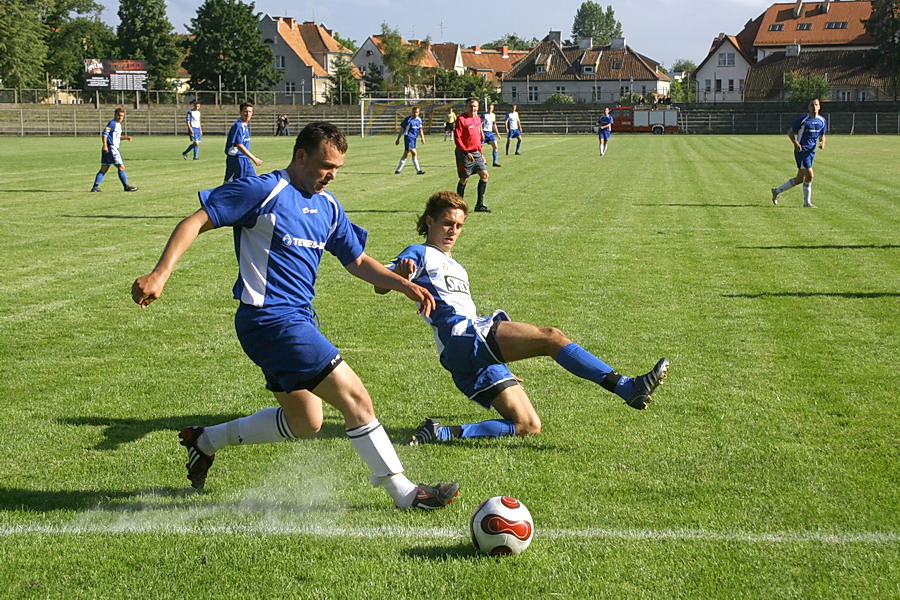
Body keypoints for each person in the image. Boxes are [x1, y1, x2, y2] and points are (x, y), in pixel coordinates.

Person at [131, 121, 459, 511]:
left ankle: (205, 441)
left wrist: (402, 284)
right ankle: (405, 492)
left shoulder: (329, 206)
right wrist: (160, 273)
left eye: (337, 167)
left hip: (299, 319)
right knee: (355, 397)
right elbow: (196, 220)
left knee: (307, 422)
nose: (331, 175)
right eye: (324, 165)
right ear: (300, 156)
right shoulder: (263, 190)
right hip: (268, 320)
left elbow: (356, 260)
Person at [375, 191, 670, 446]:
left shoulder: (455, 264)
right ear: (430, 222)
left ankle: (441, 433)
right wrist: (399, 274)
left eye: (459, 226)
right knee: (551, 338)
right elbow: (379, 284)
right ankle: (627, 387)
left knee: (528, 425)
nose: (453, 231)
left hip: (467, 351)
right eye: (447, 224)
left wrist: (498, 359)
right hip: (463, 338)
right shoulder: (420, 252)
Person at [771, 98, 827, 209]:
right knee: (810, 176)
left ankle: (776, 191)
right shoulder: (803, 120)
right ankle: (807, 203)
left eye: (816, 105)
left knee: (800, 179)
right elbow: (790, 132)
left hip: (811, 152)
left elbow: (822, 135)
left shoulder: (822, 121)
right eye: (812, 105)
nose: (814, 107)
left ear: (819, 107)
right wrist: (796, 143)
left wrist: (822, 142)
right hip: (802, 152)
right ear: (808, 107)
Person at [454, 97, 491, 213]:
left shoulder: (478, 119)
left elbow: (478, 138)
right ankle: (458, 205)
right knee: (464, 178)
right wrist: (466, 153)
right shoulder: (461, 119)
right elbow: (457, 138)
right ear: (466, 107)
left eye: (475, 106)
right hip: (464, 152)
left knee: (484, 175)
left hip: (476, 152)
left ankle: (479, 205)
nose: (473, 108)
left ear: (478, 107)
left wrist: (481, 153)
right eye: (470, 106)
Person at [90, 107, 138, 192]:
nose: (120, 117)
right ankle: (126, 186)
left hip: (109, 149)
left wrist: (125, 137)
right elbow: (105, 134)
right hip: (111, 148)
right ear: (115, 115)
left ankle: (95, 187)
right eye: (119, 115)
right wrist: (105, 145)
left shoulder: (118, 125)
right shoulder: (112, 123)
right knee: (121, 167)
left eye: (122, 116)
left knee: (104, 169)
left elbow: (115, 137)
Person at [224, 102, 263, 183]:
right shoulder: (238, 126)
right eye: (245, 111)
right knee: (232, 185)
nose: (247, 114)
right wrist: (254, 158)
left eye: (250, 112)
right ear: (240, 112)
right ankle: (209, 195)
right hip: (237, 159)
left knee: (255, 182)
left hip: (245, 159)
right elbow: (239, 145)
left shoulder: (244, 125)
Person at [394, 106, 426, 175]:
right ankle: (418, 170)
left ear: (419, 113)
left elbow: (420, 130)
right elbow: (402, 129)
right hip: (408, 137)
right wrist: (398, 139)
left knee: (406, 154)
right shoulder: (408, 119)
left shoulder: (419, 120)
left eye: (416, 112)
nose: (415, 114)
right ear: (412, 112)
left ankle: (398, 170)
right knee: (414, 152)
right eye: (414, 112)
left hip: (414, 139)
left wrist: (422, 138)